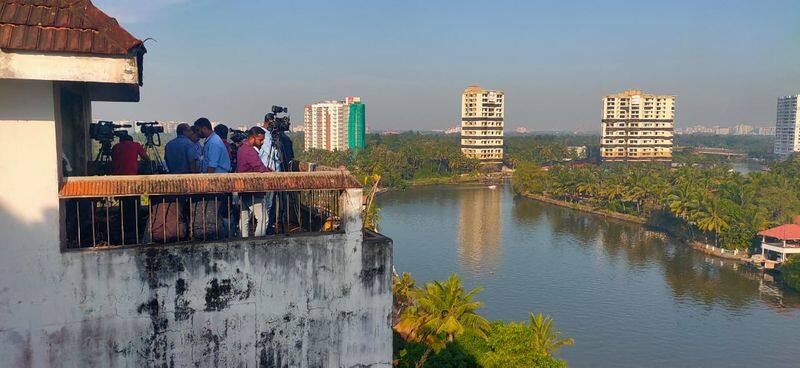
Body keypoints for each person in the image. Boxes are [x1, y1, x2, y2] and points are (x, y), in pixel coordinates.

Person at [237, 127, 272, 237]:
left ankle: (244, 242)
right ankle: (257, 243)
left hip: (243, 189)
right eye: (260, 140)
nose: (261, 143)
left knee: (244, 218)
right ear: (252, 138)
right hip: (253, 190)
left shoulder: (242, 148)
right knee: (263, 219)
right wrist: (270, 172)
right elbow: (260, 168)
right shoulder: (250, 151)